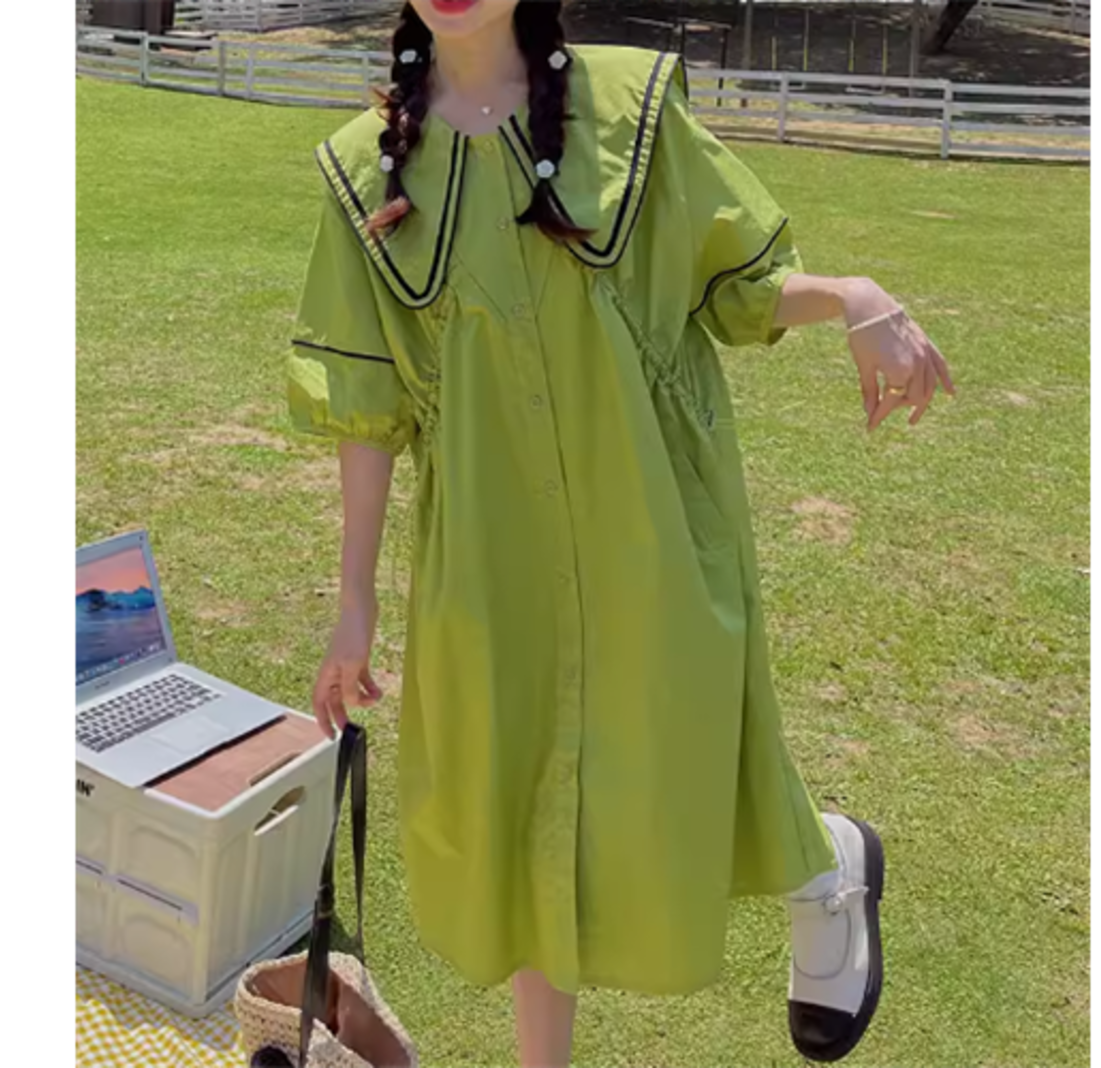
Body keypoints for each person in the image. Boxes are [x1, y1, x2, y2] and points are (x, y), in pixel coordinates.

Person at [291, 2, 954, 1065]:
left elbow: (733, 286)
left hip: (651, 513)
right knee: (524, 806)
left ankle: (822, 868)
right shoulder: (363, 167)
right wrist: (355, 599)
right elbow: (369, 406)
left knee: (674, 757)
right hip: (488, 542)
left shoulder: (629, 108)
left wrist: (854, 296)